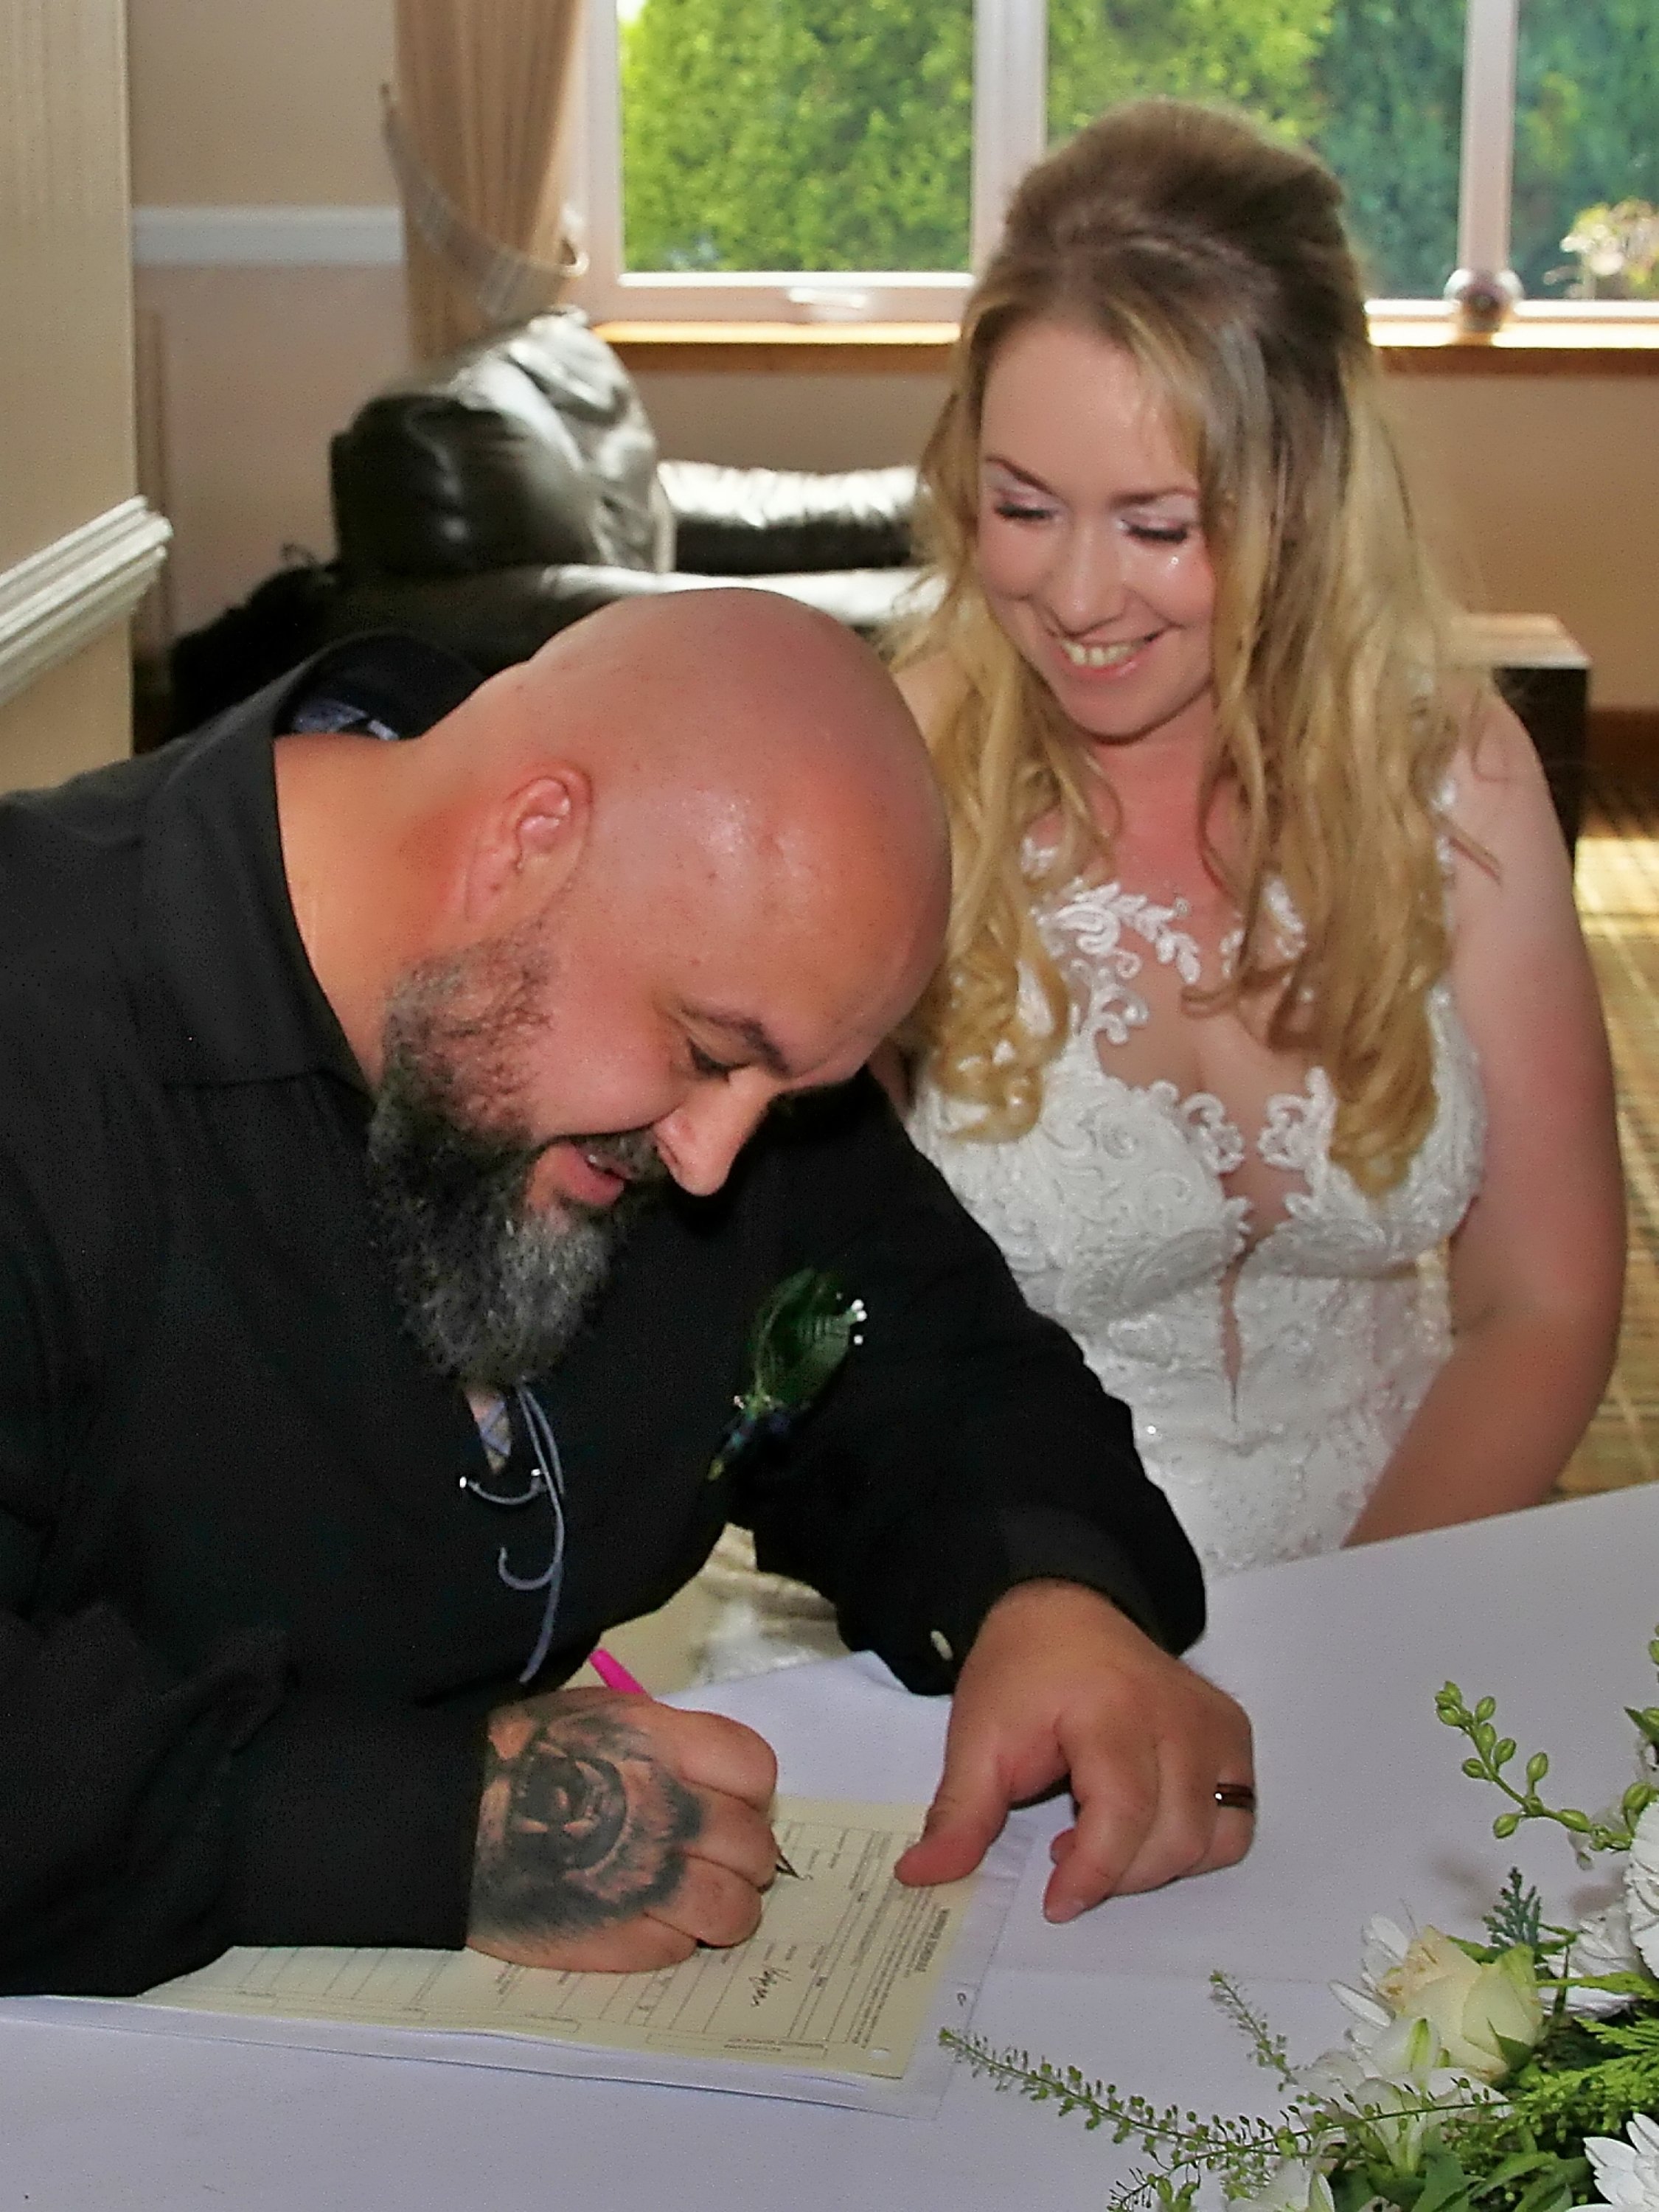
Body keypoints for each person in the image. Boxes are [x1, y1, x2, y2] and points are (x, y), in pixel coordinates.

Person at [0, 593, 1251, 2000]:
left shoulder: (685, 991)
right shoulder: (45, 1038)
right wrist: (417, 1829)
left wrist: (1043, 1590)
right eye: (710, 1053)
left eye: (785, 1095)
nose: (715, 1163)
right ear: (530, 841)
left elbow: (922, 1343)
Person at [890, 100, 1624, 1577]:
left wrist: (1354, 1634)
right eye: (1023, 507)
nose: (1080, 595)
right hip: (998, 1610)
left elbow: (1541, 1304)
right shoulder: (893, 785)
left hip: (1405, 1566)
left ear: (1307, 488)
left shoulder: (1450, 774)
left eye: (1161, 526)